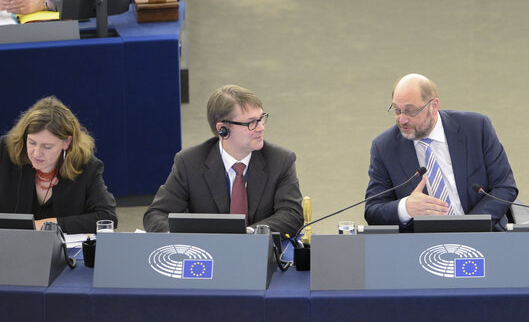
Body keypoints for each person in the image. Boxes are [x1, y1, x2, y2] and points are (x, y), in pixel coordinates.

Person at [364, 73, 518, 231]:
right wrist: (405, 208)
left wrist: (469, 228)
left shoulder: (476, 128)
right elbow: (373, 210)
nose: (402, 120)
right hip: (420, 246)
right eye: (397, 111)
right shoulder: (384, 147)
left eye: (410, 111)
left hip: (484, 237)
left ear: (434, 105)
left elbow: (505, 187)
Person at [143, 84, 303, 235]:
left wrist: (248, 233)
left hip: (260, 253)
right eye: (251, 123)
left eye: (261, 118)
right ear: (223, 129)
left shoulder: (280, 160)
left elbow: (292, 214)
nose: (261, 127)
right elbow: (156, 214)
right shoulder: (190, 162)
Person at [0, 96, 117, 232]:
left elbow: (107, 218)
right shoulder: (4, 152)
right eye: (31, 142)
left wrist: (47, 225)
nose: (36, 153)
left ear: (66, 142)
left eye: (47, 146)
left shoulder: (85, 165)